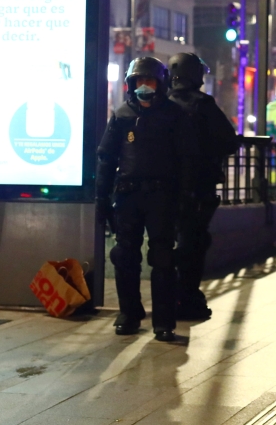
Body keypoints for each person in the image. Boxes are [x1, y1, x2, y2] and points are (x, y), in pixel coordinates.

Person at [96, 57, 197, 342]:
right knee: (124, 256)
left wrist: (186, 198)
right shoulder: (122, 115)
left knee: (163, 259)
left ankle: (164, 321)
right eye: (139, 81)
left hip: (162, 197)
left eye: (149, 81)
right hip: (128, 195)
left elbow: (187, 161)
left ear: (160, 84)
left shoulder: (174, 116)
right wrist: (101, 198)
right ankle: (129, 313)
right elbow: (106, 159)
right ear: (130, 84)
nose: (144, 86)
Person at [167, 53, 239, 321]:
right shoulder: (203, 104)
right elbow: (229, 141)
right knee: (194, 243)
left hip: (166, 189)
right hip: (198, 188)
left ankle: (167, 297)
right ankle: (187, 298)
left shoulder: (163, 104)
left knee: (167, 245)